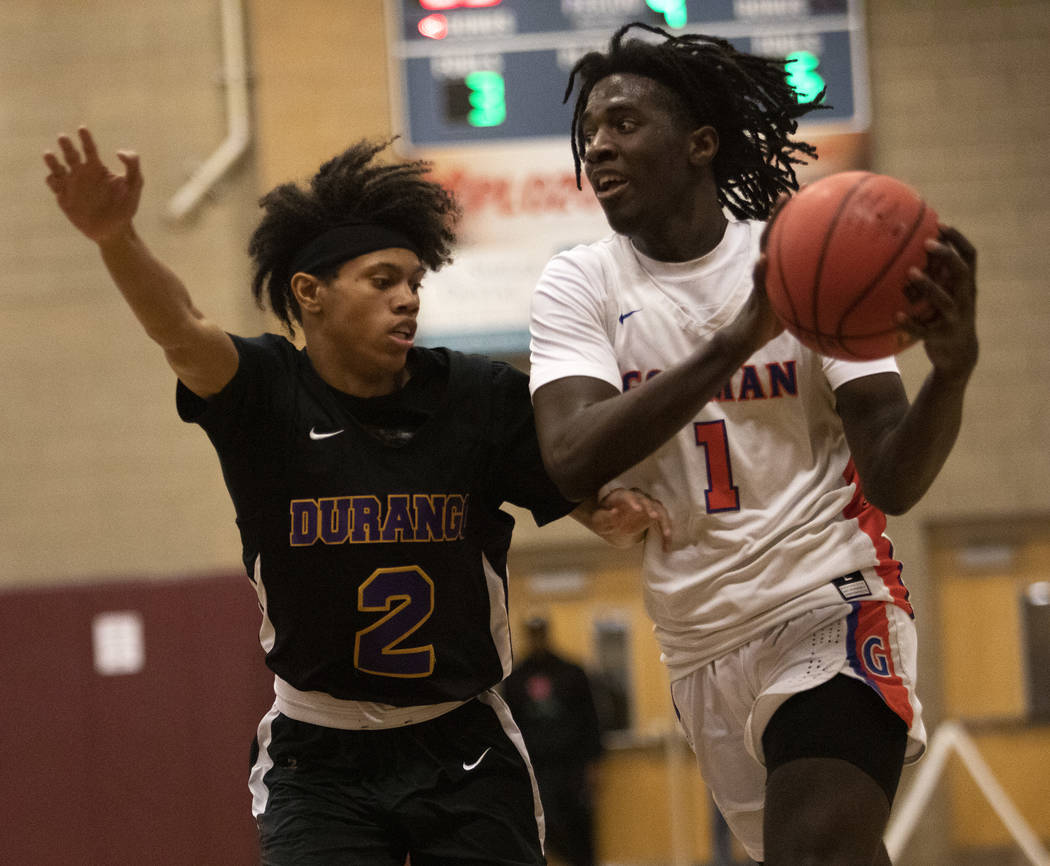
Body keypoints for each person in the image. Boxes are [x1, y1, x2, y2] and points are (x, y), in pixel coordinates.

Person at [43, 127, 667, 866]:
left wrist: (614, 510)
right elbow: (179, 330)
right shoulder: (266, 393)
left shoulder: (477, 397)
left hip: (461, 739)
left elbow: (581, 497)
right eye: (382, 281)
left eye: (414, 282)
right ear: (310, 293)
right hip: (320, 756)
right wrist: (116, 238)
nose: (407, 299)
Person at [528, 23, 978, 866]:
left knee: (814, 853)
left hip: (829, 599)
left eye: (624, 124)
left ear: (700, 144)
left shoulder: (808, 255)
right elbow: (571, 456)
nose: (598, 147)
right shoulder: (580, 283)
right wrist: (736, 338)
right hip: (699, 637)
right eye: (589, 132)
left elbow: (895, 474)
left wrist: (951, 375)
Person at [502, 616, 604, 866]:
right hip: (537, 769)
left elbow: (590, 720)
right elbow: (510, 727)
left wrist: (593, 764)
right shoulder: (516, 680)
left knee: (580, 825)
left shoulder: (572, 673)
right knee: (546, 825)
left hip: (572, 766)